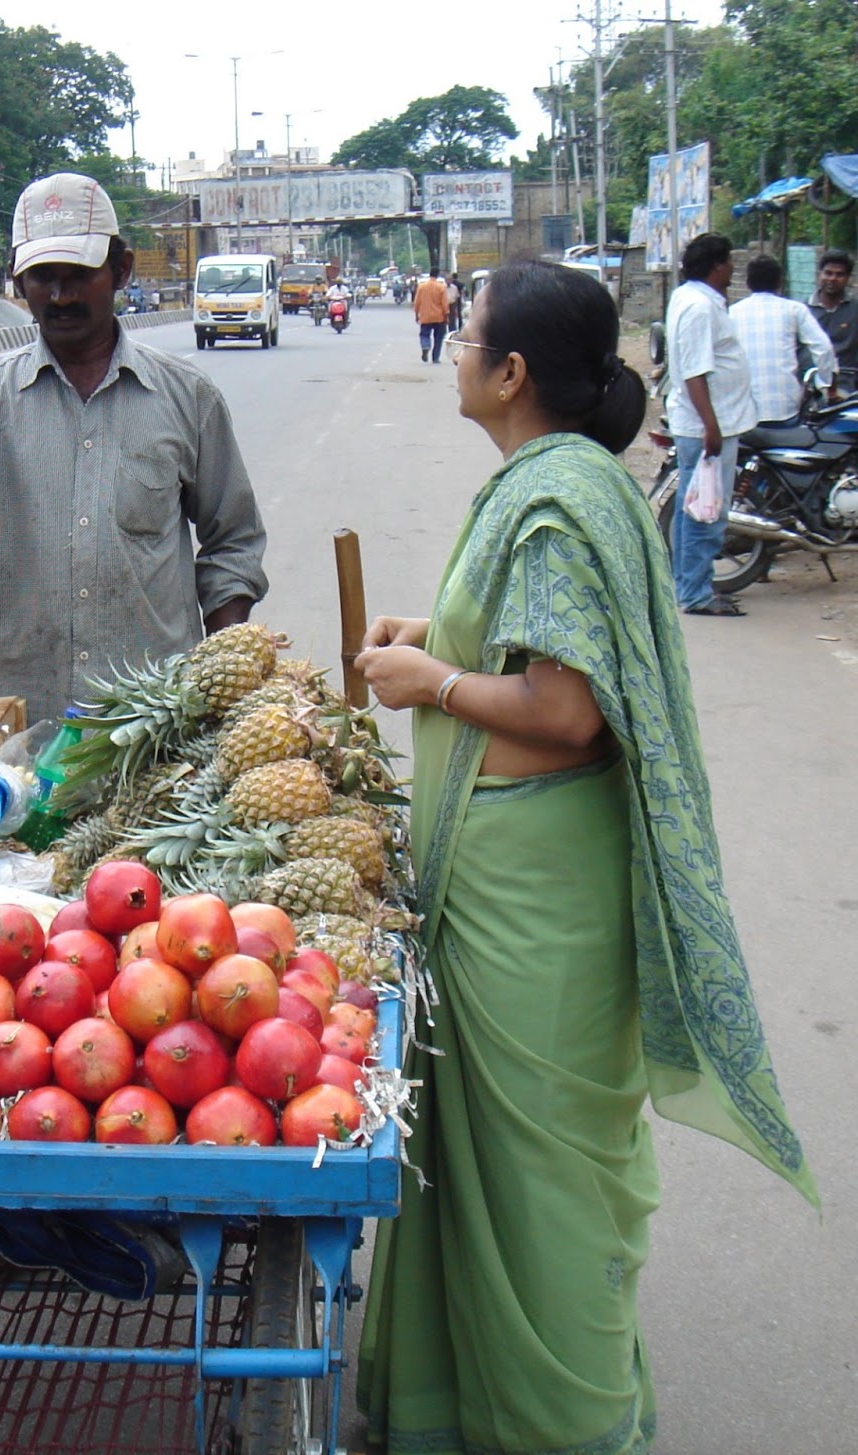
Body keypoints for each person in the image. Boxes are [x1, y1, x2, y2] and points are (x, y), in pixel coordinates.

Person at [353, 259, 816, 1455]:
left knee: (540, 1190)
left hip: (532, 907)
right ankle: (474, 1412)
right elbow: (524, 640)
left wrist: (434, 682)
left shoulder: (556, 498)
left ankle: (560, 1428)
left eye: (467, 341)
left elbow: (567, 712)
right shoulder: (556, 480)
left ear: (511, 375)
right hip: (520, 879)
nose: (452, 351)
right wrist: (433, 631)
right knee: (504, 1177)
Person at [0, 171, 268, 723]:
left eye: (78, 274)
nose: (60, 294)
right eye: (42, 276)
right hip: (24, 725)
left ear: (119, 270)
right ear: (17, 282)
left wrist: (222, 674)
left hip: (158, 727)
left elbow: (232, 541)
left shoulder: (188, 397)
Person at [664, 232, 757, 617]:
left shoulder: (693, 300)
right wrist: (711, 426)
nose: (733, 268)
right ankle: (697, 593)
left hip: (708, 421)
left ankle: (689, 586)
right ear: (718, 265)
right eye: (729, 262)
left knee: (694, 509)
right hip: (705, 425)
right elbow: (695, 372)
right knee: (706, 511)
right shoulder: (699, 307)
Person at [730, 254, 837, 424]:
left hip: (743, 411)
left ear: (748, 283)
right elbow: (824, 348)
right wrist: (825, 385)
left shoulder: (732, 313)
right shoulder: (794, 309)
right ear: (779, 282)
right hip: (786, 408)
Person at [807, 247, 858, 388]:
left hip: (848, 386)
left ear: (848, 278)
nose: (832, 279)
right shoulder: (803, 310)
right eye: (828, 273)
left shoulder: (855, 309)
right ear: (820, 274)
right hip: (811, 385)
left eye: (839, 274)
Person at [414, 267, 450, 362]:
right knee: (438, 338)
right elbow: (444, 304)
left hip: (425, 316)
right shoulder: (441, 287)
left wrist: (417, 314)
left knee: (424, 334)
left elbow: (417, 302)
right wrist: (446, 316)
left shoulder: (422, 287)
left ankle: (425, 346)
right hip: (439, 317)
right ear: (437, 275)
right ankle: (435, 357)